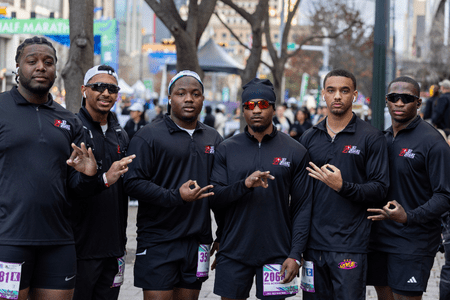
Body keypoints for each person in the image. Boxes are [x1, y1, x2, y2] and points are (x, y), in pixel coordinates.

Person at [0, 36, 97, 300]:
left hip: (59, 242)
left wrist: (88, 176)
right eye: (32, 61)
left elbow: (74, 188)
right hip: (8, 240)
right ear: (18, 67)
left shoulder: (68, 120)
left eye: (48, 62)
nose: (41, 67)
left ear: (56, 70)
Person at [123, 70, 223, 300]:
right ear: (170, 98)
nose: (189, 98)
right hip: (159, 240)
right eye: (181, 93)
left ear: (203, 99)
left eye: (195, 94)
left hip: (198, 241)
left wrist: (223, 233)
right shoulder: (147, 136)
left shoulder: (213, 139)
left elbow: (219, 190)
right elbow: (132, 183)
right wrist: (174, 196)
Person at [210, 78, 313, 300]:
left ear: (274, 108)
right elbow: (215, 197)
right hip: (233, 252)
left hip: (277, 253)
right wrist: (244, 185)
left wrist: (295, 254)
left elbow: (302, 207)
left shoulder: (295, 150)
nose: (256, 110)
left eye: (263, 104)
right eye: (249, 105)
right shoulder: (227, 149)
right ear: (242, 109)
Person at [299, 69, 389, 300]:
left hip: (350, 245)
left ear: (355, 95)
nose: (337, 96)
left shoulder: (371, 137)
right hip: (313, 246)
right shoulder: (309, 137)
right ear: (323, 95)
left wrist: (342, 186)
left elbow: (380, 189)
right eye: (331, 90)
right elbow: (299, 194)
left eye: (344, 90)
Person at [366, 76, 450, 300]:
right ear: (387, 101)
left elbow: (444, 195)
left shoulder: (433, 143)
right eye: (394, 98)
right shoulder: (381, 139)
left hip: (414, 240)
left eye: (407, 98)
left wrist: (408, 217)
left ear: (419, 103)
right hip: (379, 238)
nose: (400, 103)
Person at [71, 65, 136, 300]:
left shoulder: (121, 133)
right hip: (81, 247)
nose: (105, 93)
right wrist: (103, 178)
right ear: (84, 90)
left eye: (111, 88)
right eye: (98, 87)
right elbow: (71, 188)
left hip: (115, 246)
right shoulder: (73, 129)